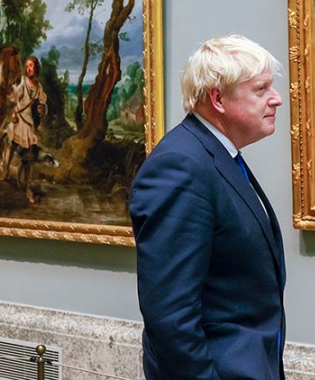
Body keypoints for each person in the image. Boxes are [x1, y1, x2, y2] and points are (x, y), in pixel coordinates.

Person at [130, 35, 286, 380]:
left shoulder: (215, 156)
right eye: (261, 90)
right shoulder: (180, 167)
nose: (276, 99)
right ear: (218, 98)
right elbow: (170, 318)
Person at [5, 56, 48, 203]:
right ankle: (5, 171)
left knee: (29, 158)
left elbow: (43, 104)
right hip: (18, 122)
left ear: (36, 68)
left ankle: (28, 188)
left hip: (28, 125)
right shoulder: (22, 81)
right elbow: (15, 96)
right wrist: (10, 89)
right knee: (11, 147)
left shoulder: (39, 88)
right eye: (27, 66)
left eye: (31, 66)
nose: (28, 68)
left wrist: (42, 110)